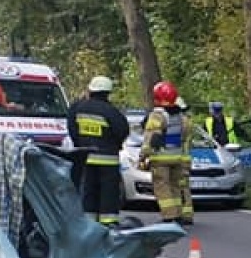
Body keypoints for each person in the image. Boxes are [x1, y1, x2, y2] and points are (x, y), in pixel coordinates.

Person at [66, 76, 131, 225]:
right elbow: (122, 130)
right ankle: (108, 222)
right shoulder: (111, 111)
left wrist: (80, 144)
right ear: (107, 92)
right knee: (109, 192)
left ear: (91, 90)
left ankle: (89, 222)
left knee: (89, 191)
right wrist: (114, 144)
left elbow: (72, 129)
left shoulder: (77, 108)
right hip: (107, 159)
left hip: (86, 157)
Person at [139, 81, 194, 226]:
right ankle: (178, 214)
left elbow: (151, 139)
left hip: (160, 158)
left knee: (162, 187)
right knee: (176, 186)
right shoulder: (183, 118)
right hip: (178, 157)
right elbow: (185, 137)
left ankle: (169, 216)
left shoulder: (157, 116)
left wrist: (143, 156)